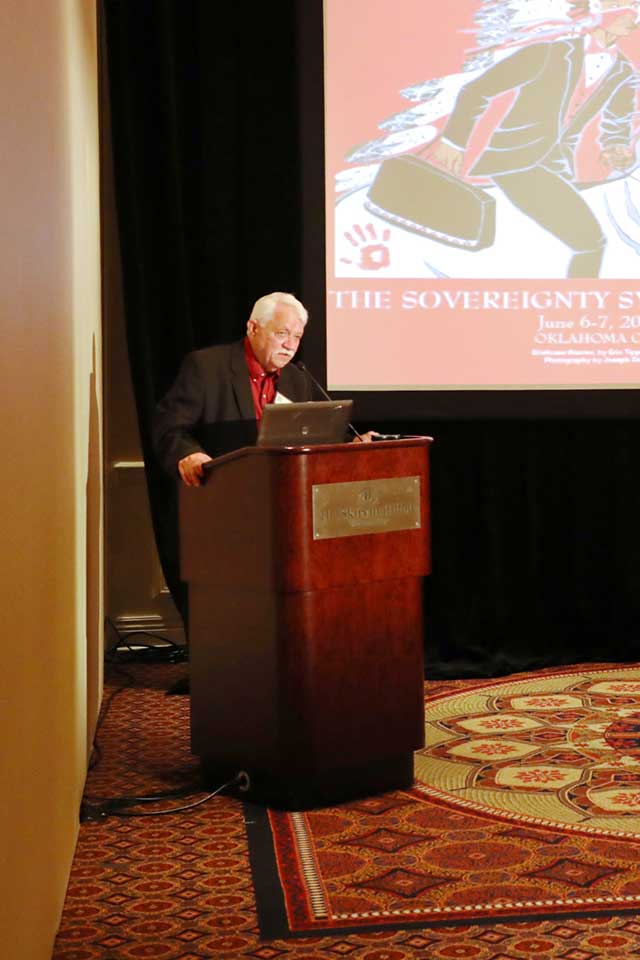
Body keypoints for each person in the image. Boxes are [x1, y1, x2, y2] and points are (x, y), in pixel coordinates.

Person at [431, 2, 640, 278]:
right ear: (599, 12)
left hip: (559, 168)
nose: (633, 20)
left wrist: (616, 147)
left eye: (637, 15)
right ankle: (578, 300)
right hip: (515, 162)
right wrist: (454, 141)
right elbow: (477, 90)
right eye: (626, 11)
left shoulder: (624, 72)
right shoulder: (548, 53)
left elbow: (617, 123)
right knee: (591, 243)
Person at [153, 292, 316, 484]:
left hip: (280, 489)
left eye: (297, 336)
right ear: (253, 328)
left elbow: (307, 436)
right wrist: (190, 454)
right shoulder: (207, 367)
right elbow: (168, 426)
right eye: (282, 333)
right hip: (220, 489)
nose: (290, 345)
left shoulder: (296, 378)